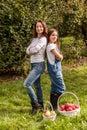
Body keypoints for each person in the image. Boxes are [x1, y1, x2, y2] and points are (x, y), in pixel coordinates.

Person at [24, 20, 48, 115]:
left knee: (27, 84)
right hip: (33, 64)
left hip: (39, 64)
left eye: (41, 26)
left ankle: (35, 104)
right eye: (37, 26)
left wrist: (30, 50)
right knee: (37, 86)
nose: (39, 28)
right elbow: (27, 49)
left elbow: (36, 49)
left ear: (43, 28)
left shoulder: (43, 39)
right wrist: (30, 50)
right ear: (35, 28)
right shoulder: (34, 39)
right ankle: (41, 104)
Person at [46, 29, 66, 111]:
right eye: (52, 35)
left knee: (54, 88)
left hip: (54, 69)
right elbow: (59, 57)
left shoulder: (52, 45)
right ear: (49, 36)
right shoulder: (51, 46)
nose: (55, 37)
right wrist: (61, 56)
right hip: (55, 70)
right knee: (61, 88)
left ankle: (53, 107)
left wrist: (60, 56)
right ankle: (55, 106)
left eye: (56, 35)